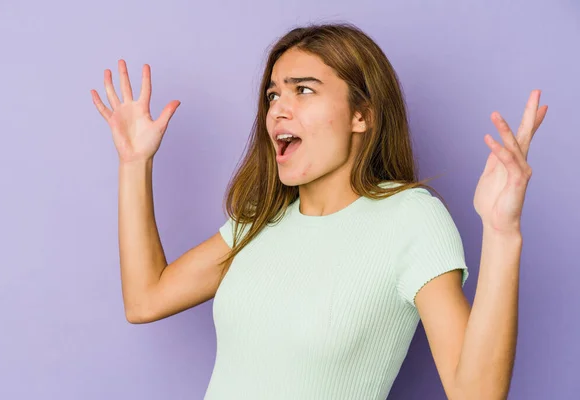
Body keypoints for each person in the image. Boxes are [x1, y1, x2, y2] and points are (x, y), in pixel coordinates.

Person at [91, 22, 547, 400]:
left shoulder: (411, 218)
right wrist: (135, 164)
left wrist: (502, 232)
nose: (277, 111)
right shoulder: (260, 220)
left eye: (302, 91)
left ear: (361, 115)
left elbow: (477, 394)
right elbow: (145, 300)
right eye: (272, 96)